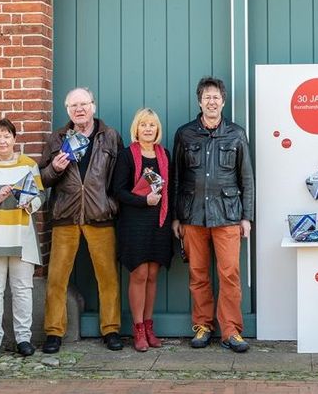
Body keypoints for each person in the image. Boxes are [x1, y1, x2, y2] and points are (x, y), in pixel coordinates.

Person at [171, 77, 255, 353]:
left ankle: (231, 330)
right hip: (192, 215)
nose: (211, 101)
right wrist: (175, 216)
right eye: (206, 97)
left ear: (223, 101)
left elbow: (247, 178)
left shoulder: (236, 134)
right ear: (199, 101)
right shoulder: (185, 134)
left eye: (216, 97)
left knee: (229, 273)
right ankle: (203, 325)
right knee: (198, 273)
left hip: (229, 215)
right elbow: (176, 178)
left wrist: (247, 217)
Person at [39, 87, 124, 353]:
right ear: (67, 110)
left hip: (100, 215)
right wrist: (55, 168)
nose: (79, 109)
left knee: (108, 277)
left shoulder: (110, 137)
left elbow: (120, 178)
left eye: (83, 104)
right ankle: (54, 332)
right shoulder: (57, 139)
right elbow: (41, 179)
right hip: (66, 216)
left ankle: (111, 330)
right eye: (73, 105)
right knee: (56, 278)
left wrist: (111, 204)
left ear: (93, 106)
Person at [0, 118, 45, 360]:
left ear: (14, 139)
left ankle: (23, 338)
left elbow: (40, 196)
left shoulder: (28, 165)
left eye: (7, 136)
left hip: (21, 235)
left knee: (23, 289)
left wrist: (28, 202)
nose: (2, 141)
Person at [111, 108, 173, 351]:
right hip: (134, 223)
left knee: (153, 275)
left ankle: (149, 326)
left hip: (159, 222)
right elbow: (119, 191)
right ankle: (137, 329)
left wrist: (173, 220)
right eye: (143, 125)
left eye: (152, 125)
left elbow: (171, 189)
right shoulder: (127, 156)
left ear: (158, 130)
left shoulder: (164, 155)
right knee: (139, 274)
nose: (148, 129)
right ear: (136, 129)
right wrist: (143, 201)